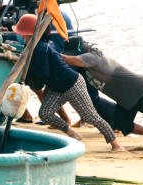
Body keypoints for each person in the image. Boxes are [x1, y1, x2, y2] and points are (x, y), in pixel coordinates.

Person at [15, 13, 123, 151]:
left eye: (22, 34)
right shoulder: (32, 47)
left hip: (72, 84)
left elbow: (42, 74)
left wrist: (32, 82)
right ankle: (72, 133)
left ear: (28, 34)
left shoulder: (39, 48)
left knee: (90, 116)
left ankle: (115, 144)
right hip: (57, 87)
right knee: (45, 113)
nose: (21, 37)